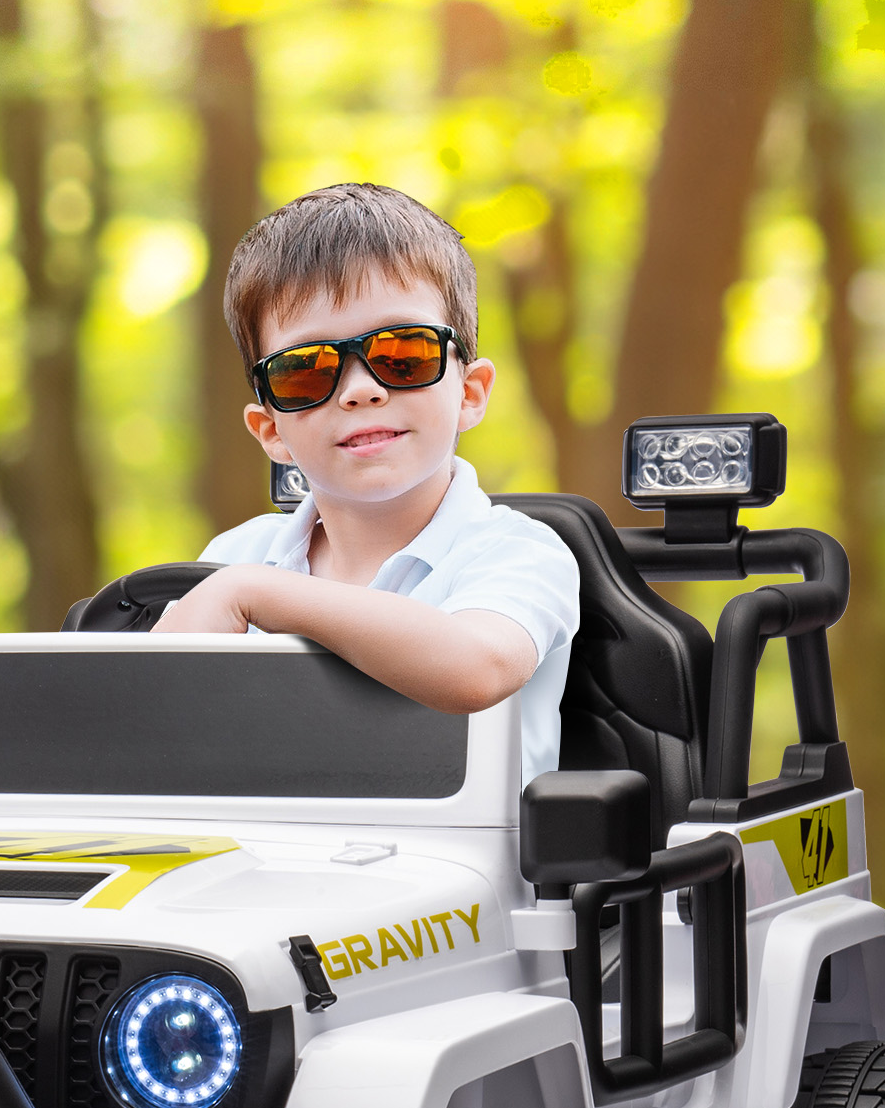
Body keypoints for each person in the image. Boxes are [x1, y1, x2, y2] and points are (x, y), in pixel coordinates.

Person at [158, 181, 580, 785]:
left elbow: (476, 669)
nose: (361, 389)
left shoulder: (519, 552)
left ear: (469, 392)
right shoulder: (234, 556)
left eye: (403, 353)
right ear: (271, 430)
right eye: (306, 370)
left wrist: (254, 593)